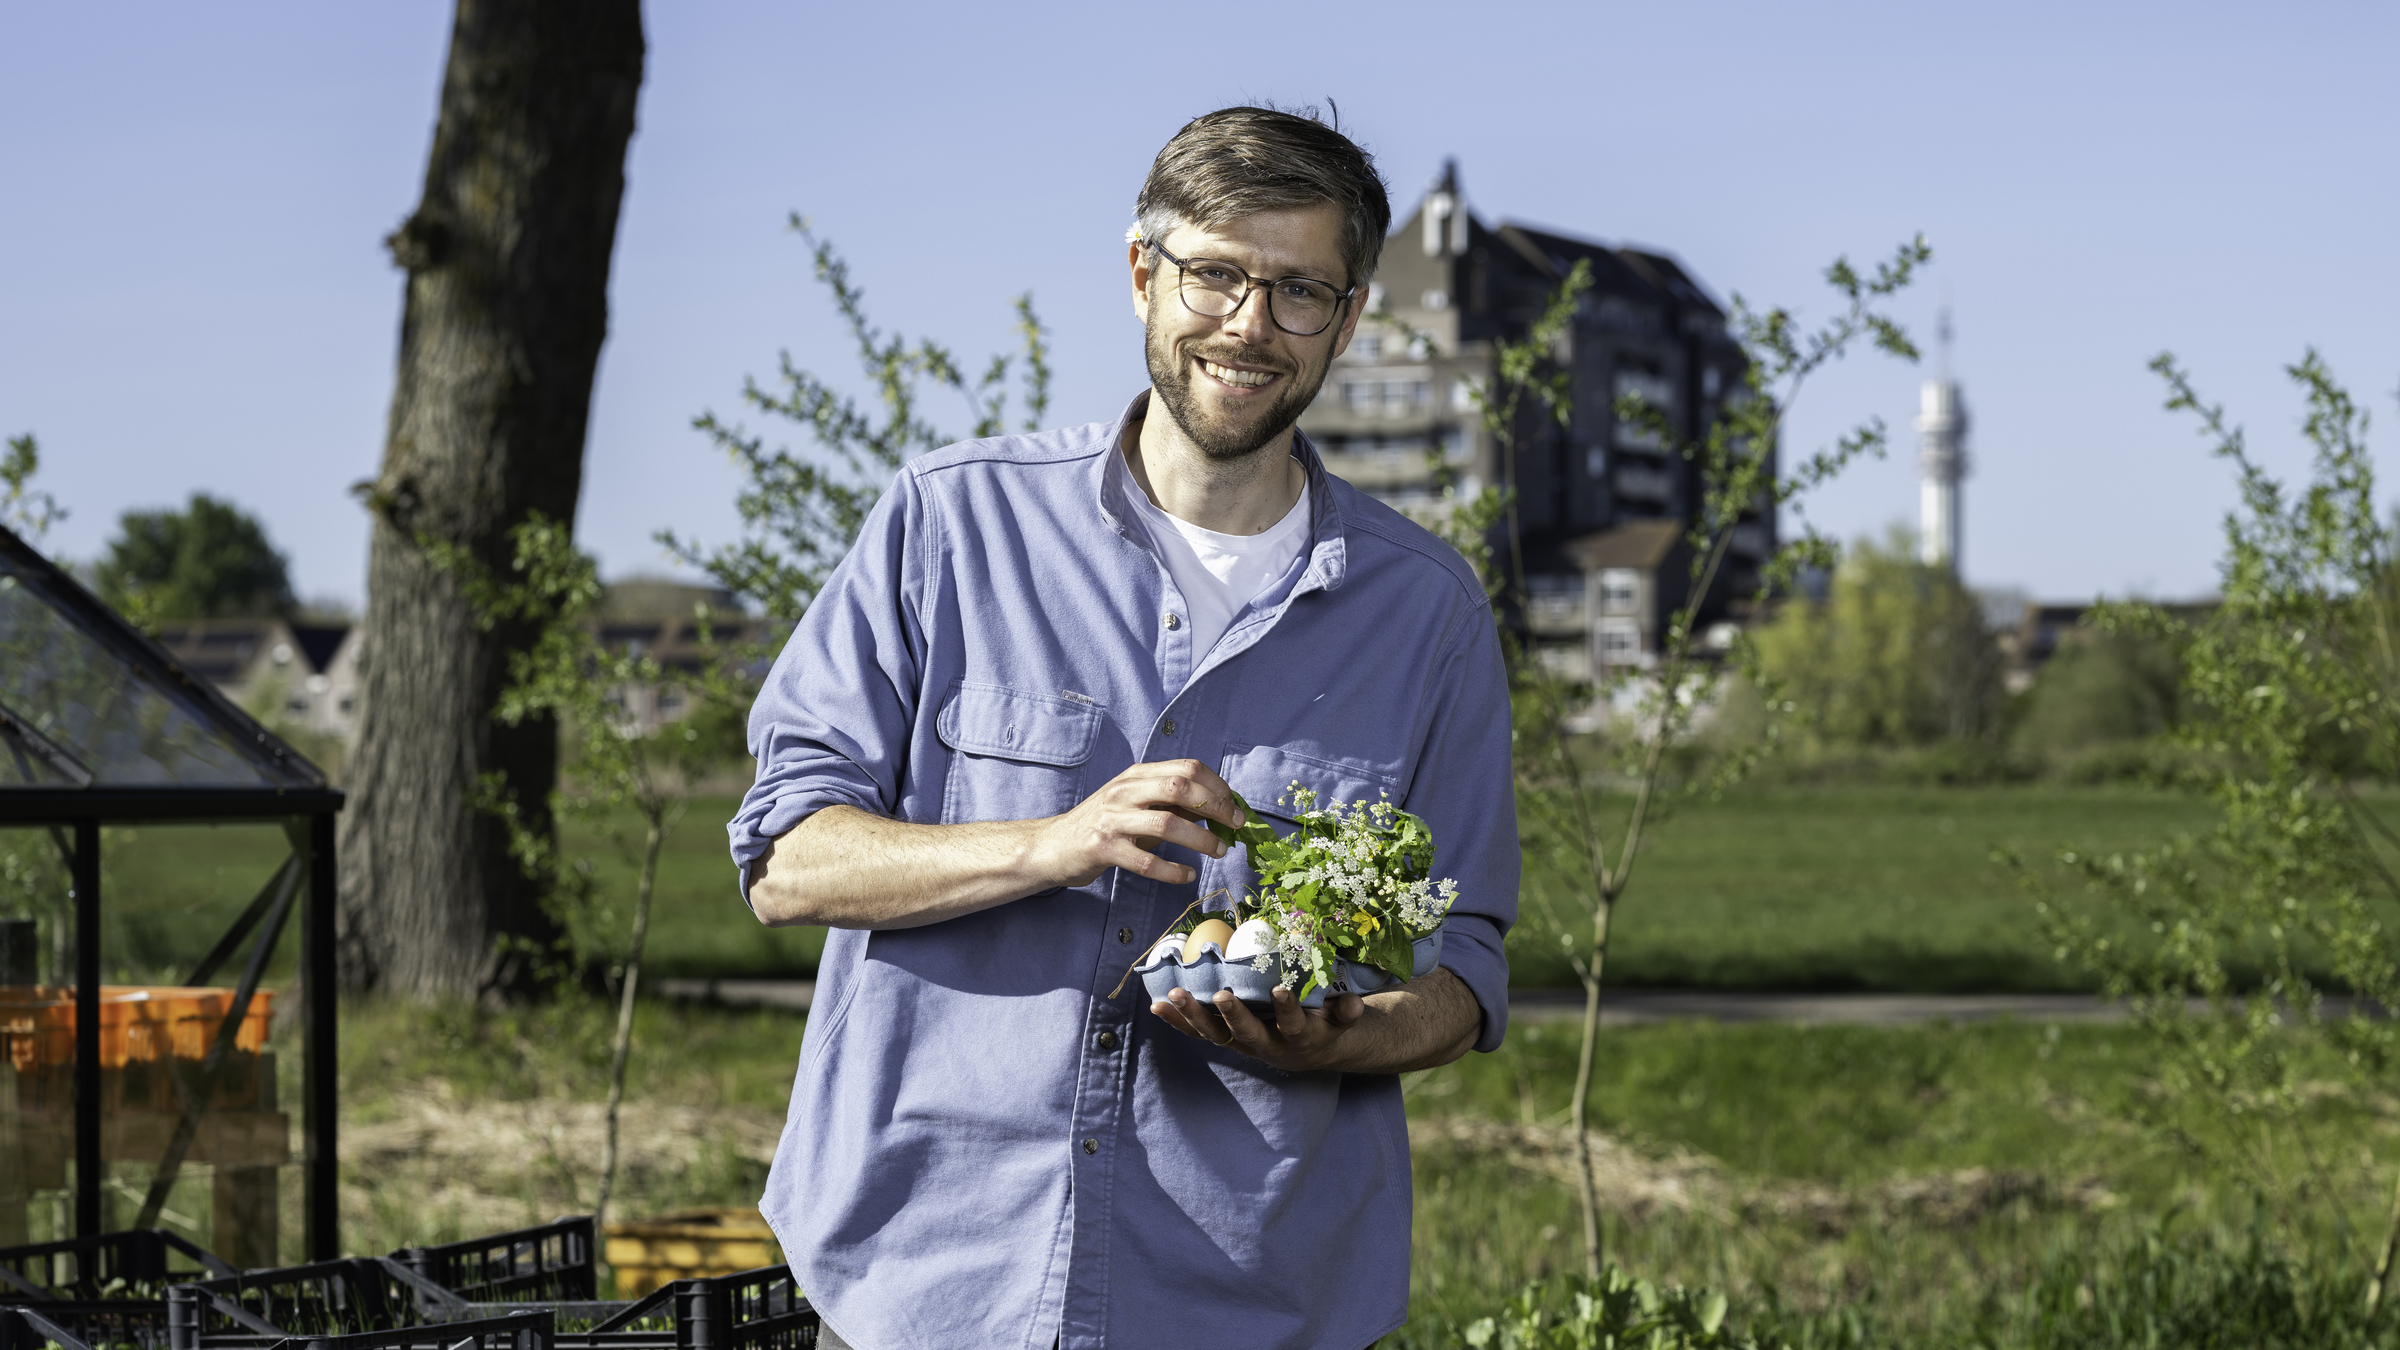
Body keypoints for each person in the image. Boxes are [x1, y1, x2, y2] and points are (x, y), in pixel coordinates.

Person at [730, 105, 1519, 1350]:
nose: (1250, 326)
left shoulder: (1426, 612)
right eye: (1215, 275)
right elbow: (784, 861)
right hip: (932, 1286)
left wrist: (1343, 1036)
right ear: (1143, 273)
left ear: (1351, 317)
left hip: (1254, 1305)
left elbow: (1469, 966)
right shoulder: (952, 524)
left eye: (1299, 290)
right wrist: (1053, 842)